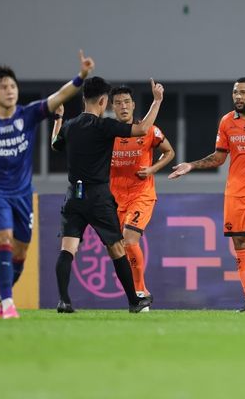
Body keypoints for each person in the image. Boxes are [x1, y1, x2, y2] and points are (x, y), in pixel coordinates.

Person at [0, 51, 94, 319]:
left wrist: (81, 77)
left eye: (13, 86)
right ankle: (8, 304)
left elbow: (58, 97)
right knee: (3, 240)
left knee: (20, 251)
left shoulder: (28, 115)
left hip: (23, 194)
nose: (10, 91)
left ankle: (0, 296)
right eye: (3, 87)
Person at [51, 76, 163, 313]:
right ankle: (134, 301)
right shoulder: (105, 126)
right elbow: (143, 129)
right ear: (103, 101)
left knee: (67, 249)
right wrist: (157, 101)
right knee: (117, 248)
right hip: (99, 196)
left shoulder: (70, 125)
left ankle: (63, 300)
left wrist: (59, 118)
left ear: (84, 99)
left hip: (74, 195)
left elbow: (54, 144)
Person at [169, 77, 245, 311]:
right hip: (235, 193)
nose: (237, 97)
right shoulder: (227, 122)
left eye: (242, 92)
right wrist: (191, 165)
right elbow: (219, 157)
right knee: (241, 243)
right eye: (234, 93)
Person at [109, 85, 175, 303]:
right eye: (118, 103)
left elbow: (169, 152)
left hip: (142, 194)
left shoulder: (148, 130)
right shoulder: (107, 134)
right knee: (120, 247)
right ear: (112, 107)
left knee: (129, 238)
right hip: (115, 199)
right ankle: (139, 293)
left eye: (127, 101)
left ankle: (140, 291)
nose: (123, 106)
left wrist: (153, 169)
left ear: (133, 105)